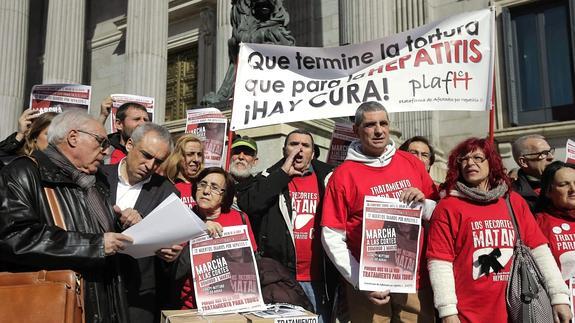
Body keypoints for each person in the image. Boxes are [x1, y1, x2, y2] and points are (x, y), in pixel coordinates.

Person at [0, 109, 133, 323]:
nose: (106, 151)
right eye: (101, 142)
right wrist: (95, 246)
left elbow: (94, 231)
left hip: (103, 306)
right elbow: (14, 238)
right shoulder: (22, 172)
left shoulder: (95, 180)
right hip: (51, 308)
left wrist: (123, 225)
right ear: (73, 138)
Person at [426, 137, 571, 323]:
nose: (470, 163)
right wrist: (447, 312)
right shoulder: (448, 207)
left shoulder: (512, 201)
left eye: (478, 158)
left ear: (491, 163)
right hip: (468, 312)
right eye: (464, 159)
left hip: (520, 306)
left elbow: (539, 250)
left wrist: (559, 297)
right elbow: (439, 262)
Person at [321, 101, 438, 322]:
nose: (378, 130)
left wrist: (424, 204)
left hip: (414, 281)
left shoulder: (412, 163)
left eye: (383, 123)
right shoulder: (343, 175)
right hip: (370, 286)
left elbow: (439, 215)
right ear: (356, 130)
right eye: (370, 125)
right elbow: (332, 235)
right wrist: (358, 279)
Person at [238, 129, 335, 323]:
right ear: (284, 150)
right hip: (283, 280)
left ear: (313, 153)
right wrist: (282, 174)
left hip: (319, 280)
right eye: (293, 144)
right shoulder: (270, 176)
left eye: (305, 146)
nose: (299, 150)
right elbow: (249, 204)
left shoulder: (329, 178)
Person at [101, 123, 182, 323]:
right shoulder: (98, 176)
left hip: (138, 296)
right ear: (129, 145)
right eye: (146, 155)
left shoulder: (167, 193)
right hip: (97, 286)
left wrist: (171, 255)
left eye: (158, 161)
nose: (150, 165)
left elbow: (170, 250)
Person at [178, 167, 258, 309]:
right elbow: (174, 263)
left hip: (232, 303)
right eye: (202, 184)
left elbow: (250, 260)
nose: (206, 191)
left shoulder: (240, 218)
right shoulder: (183, 218)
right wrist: (198, 227)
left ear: (224, 195)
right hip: (190, 305)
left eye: (214, 188)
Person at [535, 161, 575, 286]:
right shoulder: (538, 223)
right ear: (548, 191)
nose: (573, 189)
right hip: (563, 301)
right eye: (564, 184)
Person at [511, 134, 555, 212]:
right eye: (544, 153)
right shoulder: (512, 196)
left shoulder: (566, 185)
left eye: (550, 151)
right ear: (523, 162)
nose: (551, 157)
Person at [163, 134, 205, 208]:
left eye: (199, 154)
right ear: (176, 156)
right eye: (190, 154)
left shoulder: (206, 186)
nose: (196, 159)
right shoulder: (165, 187)